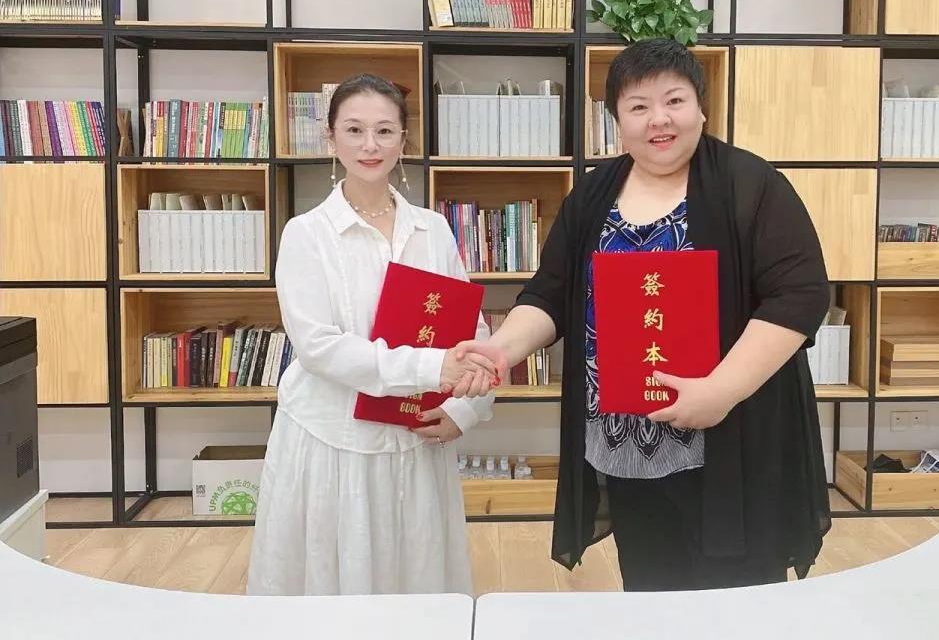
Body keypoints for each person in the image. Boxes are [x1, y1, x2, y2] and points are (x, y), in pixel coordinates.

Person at [452, 38, 832, 592]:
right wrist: (500, 349)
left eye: (674, 101)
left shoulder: (750, 185)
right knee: (650, 592)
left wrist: (720, 390)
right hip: (627, 442)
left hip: (731, 438)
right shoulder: (593, 195)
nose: (659, 119)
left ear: (701, 107)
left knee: (738, 602)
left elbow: (799, 295)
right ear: (617, 121)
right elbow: (551, 293)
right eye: (638, 106)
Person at [247, 73, 498, 596]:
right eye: (354, 130)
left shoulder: (433, 229)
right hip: (334, 444)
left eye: (384, 131)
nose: (370, 145)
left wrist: (464, 409)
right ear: (330, 138)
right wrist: (432, 367)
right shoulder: (306, 234)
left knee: (418, 582)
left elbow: (470, 331)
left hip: (417, 441)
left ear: (403, 140)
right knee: (337, 592)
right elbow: (318, 348)